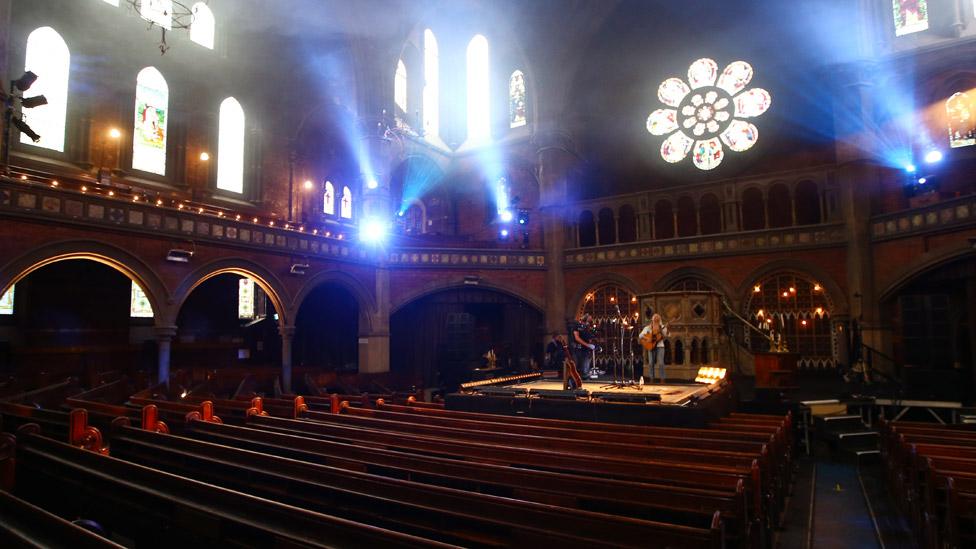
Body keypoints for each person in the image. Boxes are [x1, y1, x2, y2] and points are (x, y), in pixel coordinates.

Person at [639, 313, 668, 382]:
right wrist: (647, 338)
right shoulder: (648, 328)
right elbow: (640, 335)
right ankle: (651, 378)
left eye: (657, 319)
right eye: (655, 319)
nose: (656, 321)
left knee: (661, 363)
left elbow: (666, 335)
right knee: (651, 363)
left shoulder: (662, 327)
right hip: (651, 346)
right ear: (652, 320)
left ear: (659, 320)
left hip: (660, 346)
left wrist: (665, 331)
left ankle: (662, 378)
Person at [570, 313, 597, 380]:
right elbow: (577, 338)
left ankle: (585, 377)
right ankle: (574, 380)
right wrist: (588, 345)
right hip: (577, 349)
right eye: (588, 321)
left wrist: (592, 343)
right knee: (575, 366)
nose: (588, 323)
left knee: (585, 368)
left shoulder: (586, 328)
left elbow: (589, 338)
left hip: (585, 350)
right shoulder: (576, 326)